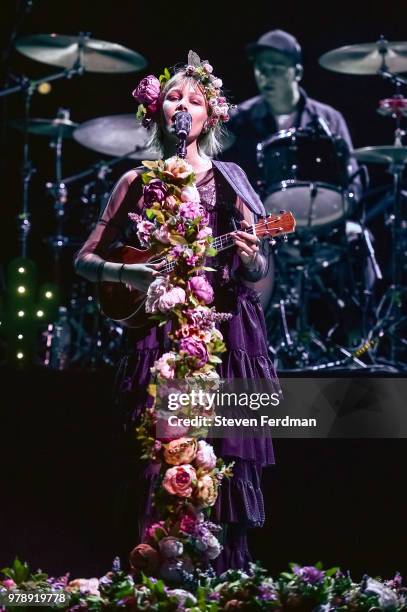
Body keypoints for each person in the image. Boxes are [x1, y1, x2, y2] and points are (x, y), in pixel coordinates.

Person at [74, 52, 280, 573]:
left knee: (220, 457)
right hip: (158, 330)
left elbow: (257, 269)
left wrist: (254, 256)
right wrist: (130, 274)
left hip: (224, 329)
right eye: (173, 97)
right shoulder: (135, 182)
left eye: (194, 100)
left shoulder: (232, 180)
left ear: (210, 117)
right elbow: (85, 259)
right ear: (156, 110)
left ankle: (219, 572)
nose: (182, 107)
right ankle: (154, 568)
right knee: (157, 452)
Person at [222, 29, 361, 198]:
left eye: (276, 68)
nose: (265, 76)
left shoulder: (330, 118)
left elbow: (353, 180)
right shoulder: (237, 119)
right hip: (257, 220)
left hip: (318, 216)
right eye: (260, 68)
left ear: (298, 72)